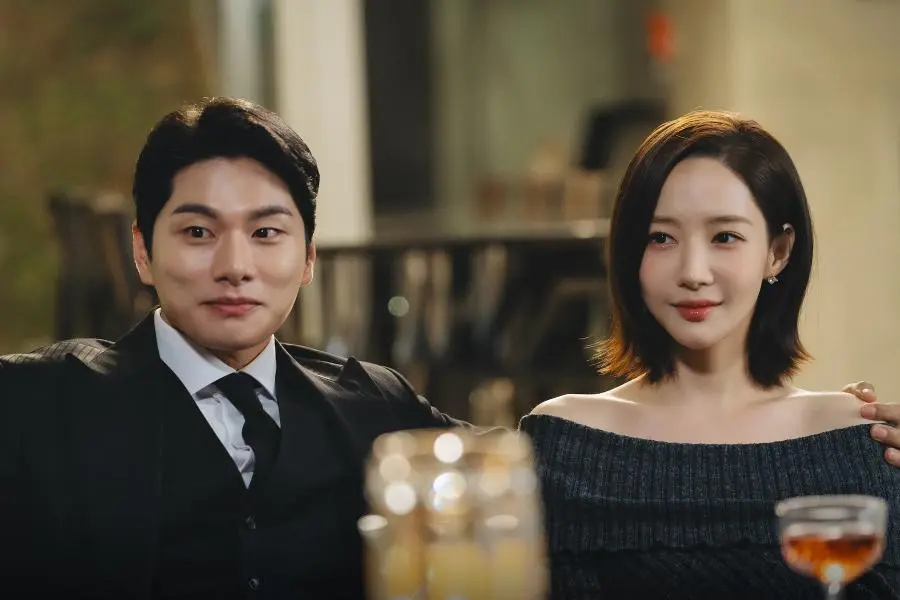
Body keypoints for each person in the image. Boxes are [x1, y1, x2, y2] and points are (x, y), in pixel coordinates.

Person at [0, 99, 895, 599]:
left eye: (266, 232)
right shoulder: (34, 406)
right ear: (142, 250)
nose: (234, 264)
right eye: (197, 232)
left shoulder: (374, 408)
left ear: (307, 258)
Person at [523, 110, 900, 598]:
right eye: (661, 238)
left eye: (725, 237)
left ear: (778, 252)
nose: (693, 272)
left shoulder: (857, 440)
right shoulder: (563, 441)